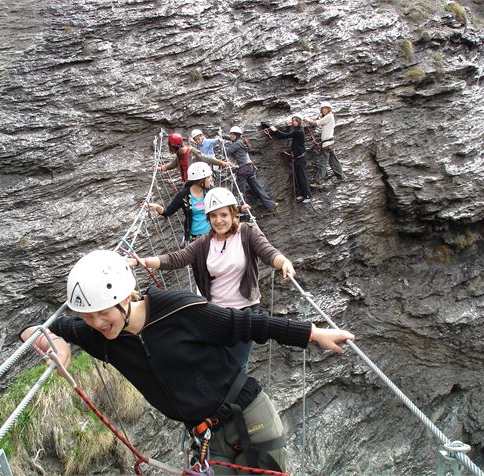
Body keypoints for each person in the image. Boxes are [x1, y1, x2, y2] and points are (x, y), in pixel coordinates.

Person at [20, 249, 354, 474]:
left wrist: (312, 333)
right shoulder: (101, 337)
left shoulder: (180, 309)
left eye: (101, 313)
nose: (95, 323)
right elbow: (34, 329)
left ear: (124, 298)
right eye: (86, 317)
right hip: (204, 434)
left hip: (249, 417)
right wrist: (57, 344)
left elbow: (248, 324)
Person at [129, 187, 294, 370]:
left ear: (233, 213)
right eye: (213, 216)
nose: (218, 220)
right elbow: (177, 258)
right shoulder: (204, 243)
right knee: (214, 362)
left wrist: (284, 262)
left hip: (245, 312)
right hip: (216, 312)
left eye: (223, 214)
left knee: (237, 366)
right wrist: (140, 262)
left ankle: (238, 397)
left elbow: (268, 252)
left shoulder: (247, 233)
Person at [149, 161, 214, 243]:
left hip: (211, 234)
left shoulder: (210, 191)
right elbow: (167, 212)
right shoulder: (184, 195)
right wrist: (157, 207)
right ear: (200, 180)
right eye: (208, 177)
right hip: (194, 238)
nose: (211, 179)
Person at [224, 126, 278, 213]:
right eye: (230, 134)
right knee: (257, 188)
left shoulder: (236, 144)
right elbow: (230, 140)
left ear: (237, 135)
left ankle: (240, 209)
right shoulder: (241, 142)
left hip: (243, 170)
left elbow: (226, 152)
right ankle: (270, 204)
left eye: (232, 134)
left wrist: (220, 142)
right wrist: (223, 137)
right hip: (249, 168)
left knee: (239, 190)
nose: (230, 136)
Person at [269, 116, 313, 203]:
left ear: (299, 121)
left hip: (301, 158)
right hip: (298, 157)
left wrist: (275, 130)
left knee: (302, 177)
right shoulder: (297, 130)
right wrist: (288, 126)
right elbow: (289, 134)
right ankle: (302, 194)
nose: (293, 122)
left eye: (294, 121)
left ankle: (308, 196)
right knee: (298, 177)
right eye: (292, 121)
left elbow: (286, 136)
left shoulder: (299, 131)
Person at [304, 101, 344, 188]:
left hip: (327, 144)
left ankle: (319, 183)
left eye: (325, 108)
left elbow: (317, 123)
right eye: (322, 109)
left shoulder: (329, 116)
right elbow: (320, 121)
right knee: (333, 161)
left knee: (323, 163)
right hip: (329, 143)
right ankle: (341, 176)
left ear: (329, 109)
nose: (323, 110)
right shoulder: (329, 117)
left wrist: (308, 120)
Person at [161, 133, 229, 182]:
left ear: (175, 146)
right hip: (186, 182)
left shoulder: (191, 151)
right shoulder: (179, 154)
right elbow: (174, 164)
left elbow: (205, 158)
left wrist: (221, 163)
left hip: (196, 181)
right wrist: (163, 167)